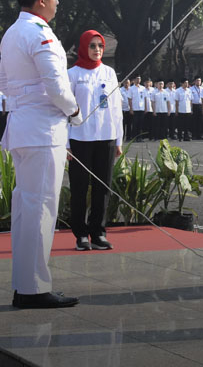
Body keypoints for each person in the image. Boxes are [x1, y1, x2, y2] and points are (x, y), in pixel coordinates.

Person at [0, 0, 81, 309]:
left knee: (26, 207)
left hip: (22, 127)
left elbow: (3, 83)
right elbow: (56, 86)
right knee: (40, 207)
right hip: (44, 130)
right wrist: (75, 111)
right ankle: (33, 288)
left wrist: (26, 100)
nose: (58, 2)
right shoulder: (40, 33)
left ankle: (25, 284)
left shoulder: (12, 33)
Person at [66, 30, 123, 251]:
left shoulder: (109, 72)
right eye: (92, 45)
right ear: (83, 47)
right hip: (79, 138)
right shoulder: (72, 74)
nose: (97, 49)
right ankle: (81, 234)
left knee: (103, 187)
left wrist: (118, 139)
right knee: (79, 187)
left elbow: (116, 108)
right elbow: (64, 111)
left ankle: (98, 232)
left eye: (100, 45)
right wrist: (66, 144)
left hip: (106, 136)